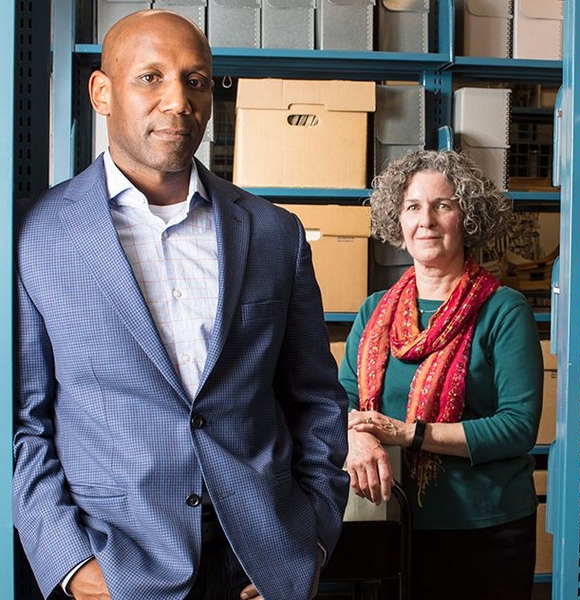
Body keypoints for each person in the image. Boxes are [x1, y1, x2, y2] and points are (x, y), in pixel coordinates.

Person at [13, 9, 349, 600]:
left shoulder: (274, 233)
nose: (178, 100)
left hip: (260, 565)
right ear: (102, 92)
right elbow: (23, 422)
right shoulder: (39, 236)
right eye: (150, 77)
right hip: (117, 563)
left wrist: (312, 539)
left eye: (195, 80)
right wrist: (72, 565)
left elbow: (316, 399)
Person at [338, 149, 544, 599]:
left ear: (467, 220)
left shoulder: (502, 309)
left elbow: (517, 427)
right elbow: (340, 402)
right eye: (412, 206)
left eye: (442, 205)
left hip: (485, 530)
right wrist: (358, 435)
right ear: (399, 222)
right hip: (391, 522)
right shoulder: (375, 311)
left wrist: (408, 433)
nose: (425, 220)